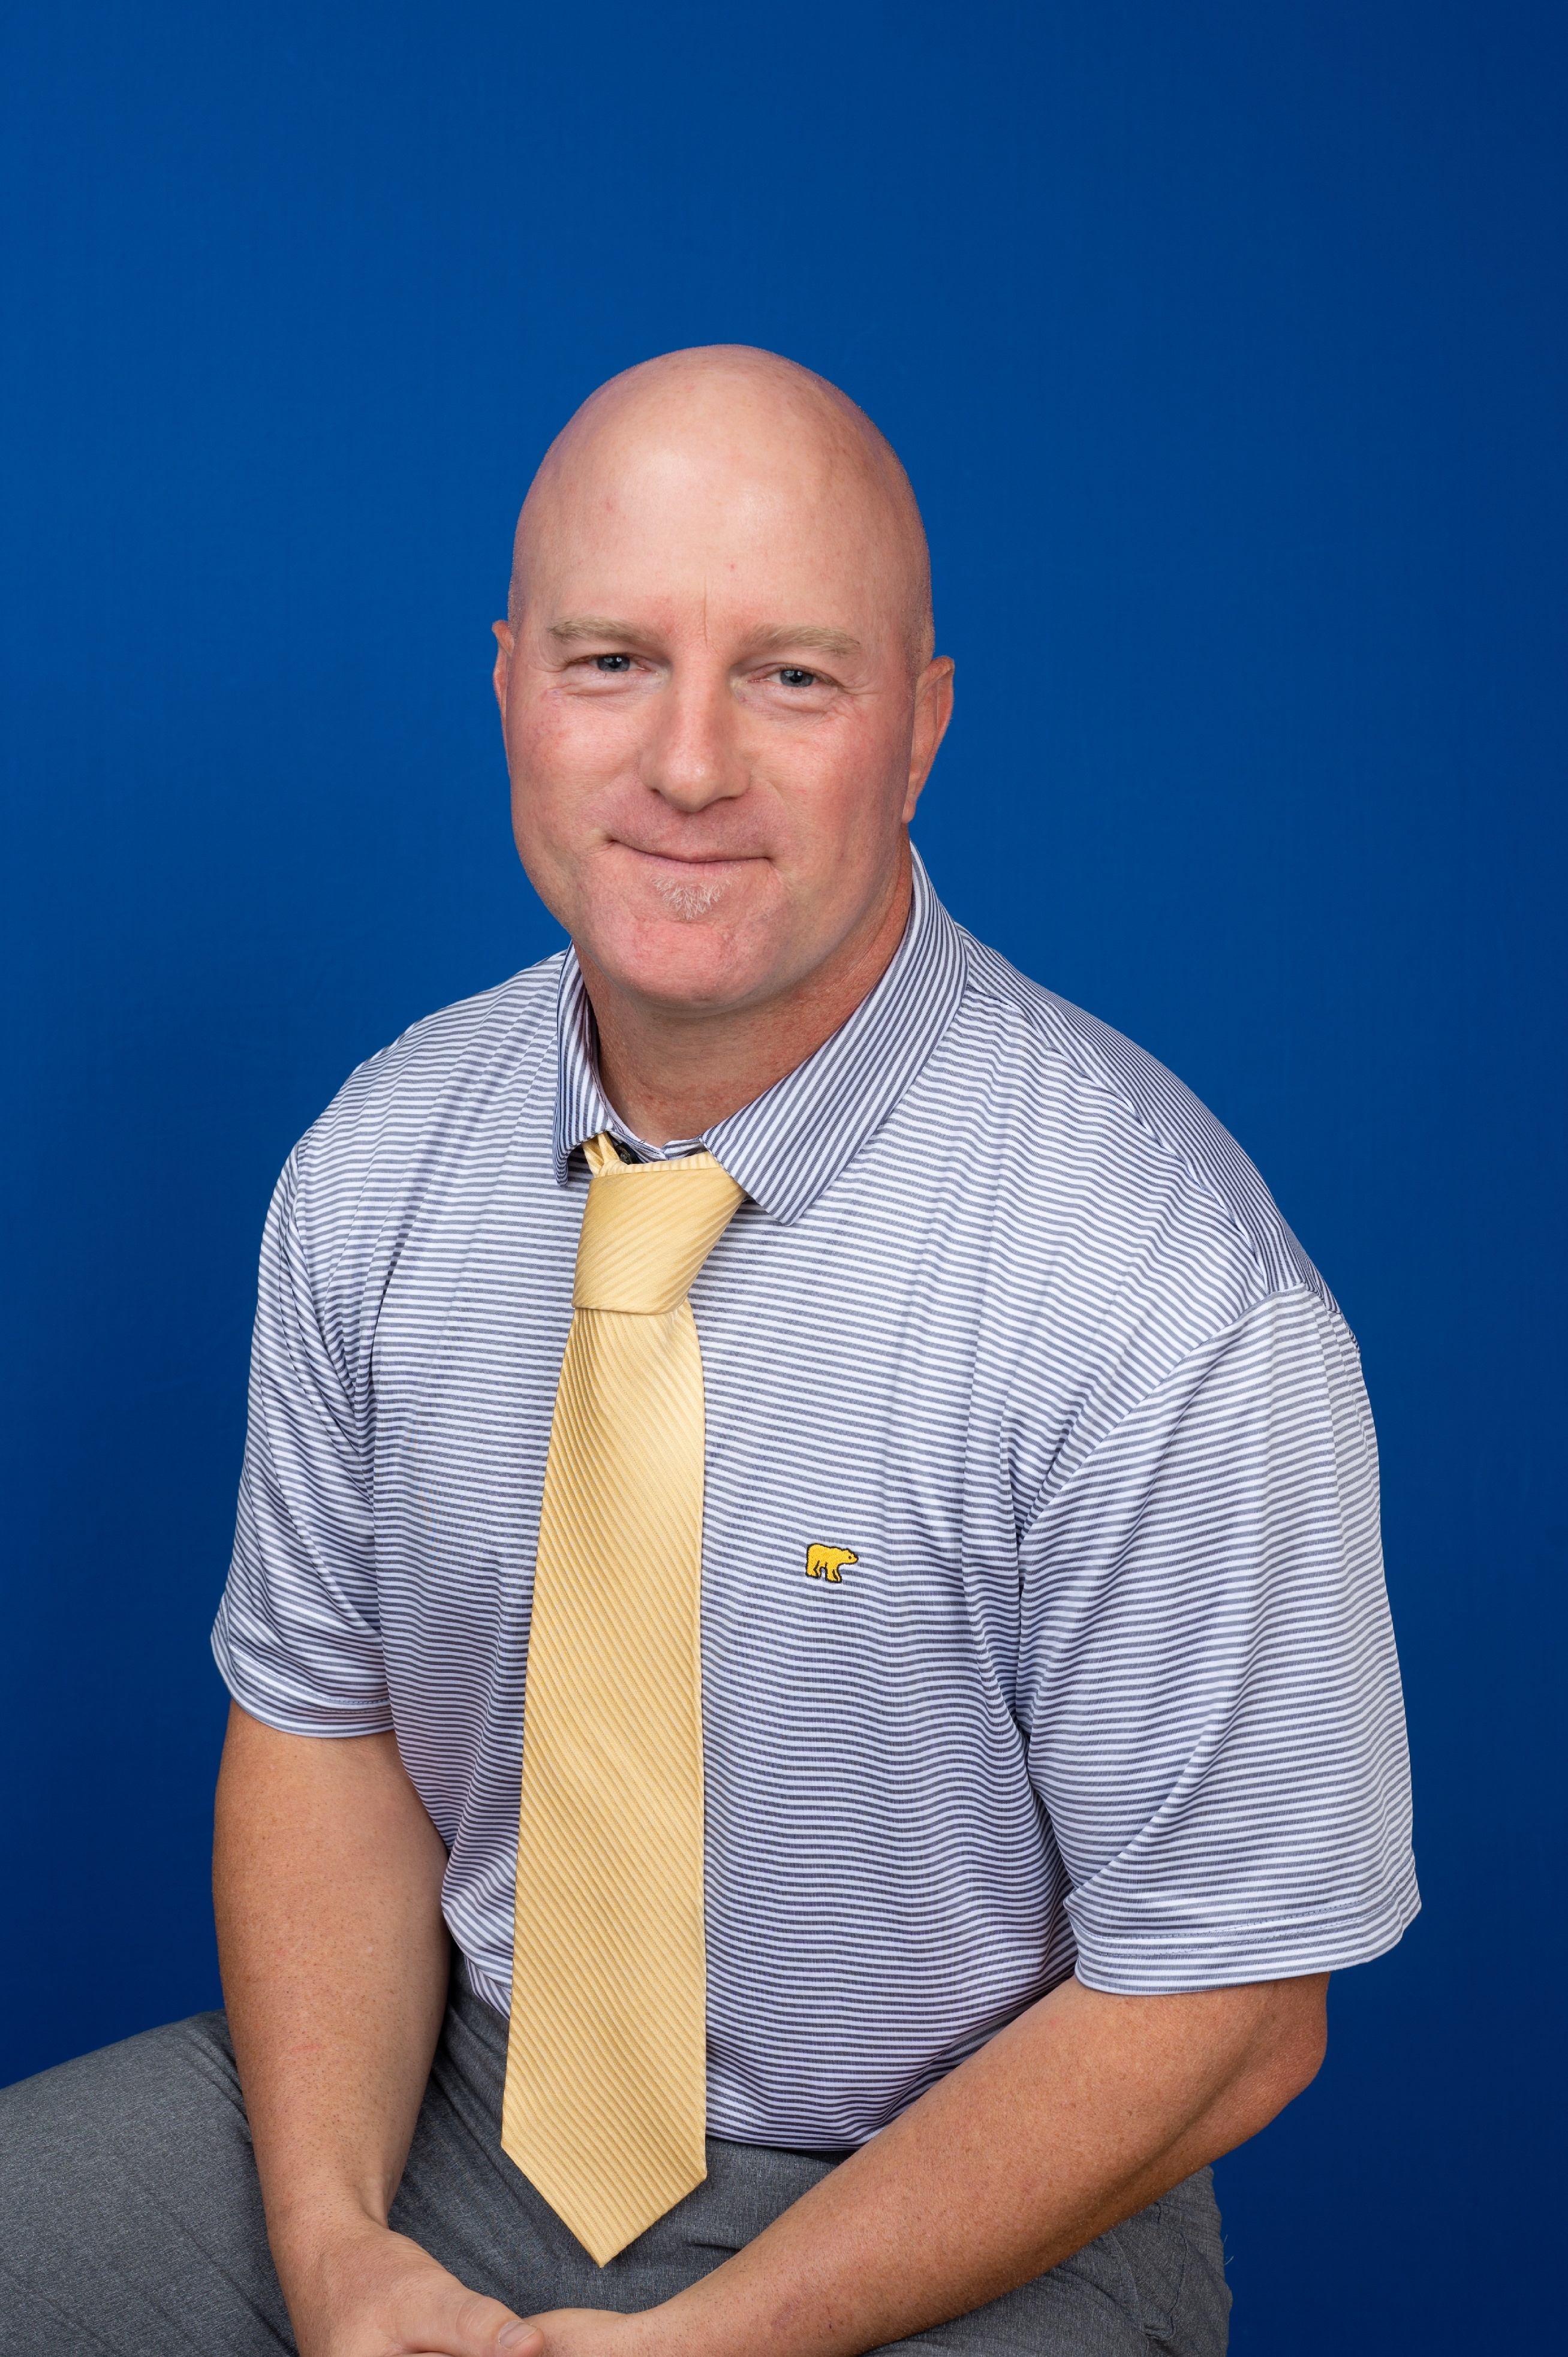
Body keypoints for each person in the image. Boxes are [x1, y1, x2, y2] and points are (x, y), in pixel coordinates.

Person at [0, 346, 1417, 2357]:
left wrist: (712, 2342)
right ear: (509, 684)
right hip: (457, 2112)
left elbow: (1235, 2007)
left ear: (919, 729)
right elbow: (329, 1732)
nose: (687, 765)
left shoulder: (1164, 1285)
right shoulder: (376, 1161)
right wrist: (334, 2248)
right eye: (612, 663)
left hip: (972, 2204)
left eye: (791, 677)